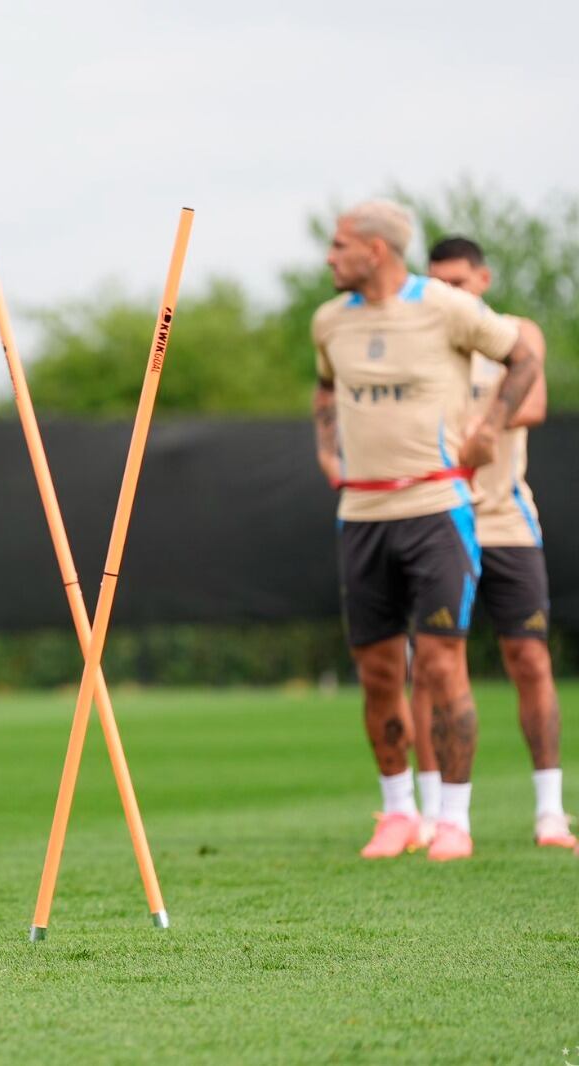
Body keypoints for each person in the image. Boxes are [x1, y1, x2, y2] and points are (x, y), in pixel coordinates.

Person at [311, 200, 543, 862]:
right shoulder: (328, 321)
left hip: (438, 511)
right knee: (378, 671)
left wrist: (490, 426)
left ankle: (454, 820)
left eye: (339, 245)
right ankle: (396, 813)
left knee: (442, 664)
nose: (329, 257)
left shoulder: (444, 306)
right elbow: (326, 390)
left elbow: (521, 355)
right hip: (361, 517)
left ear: (376, 251)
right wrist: (327, 449)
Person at [409, 236, 571, 849]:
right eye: (437, 281)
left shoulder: (514, 330)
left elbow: (532, 400)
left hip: (506, 520)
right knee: (430, 667)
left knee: (530, 658)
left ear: (484, 278)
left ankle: (550, 812)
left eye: (459, 280)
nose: (448, 291)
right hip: (437, 517)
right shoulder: (422, 337)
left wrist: (478, 423)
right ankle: (434, 814)